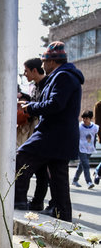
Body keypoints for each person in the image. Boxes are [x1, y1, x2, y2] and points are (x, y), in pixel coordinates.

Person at [15, 41, 85, 222]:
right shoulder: (64, 76)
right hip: (60, 136)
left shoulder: (63, 77)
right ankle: (62, 214)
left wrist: (31, 107)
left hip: (53, 134)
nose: (42, 65)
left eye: (44, 61)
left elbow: (56, 104)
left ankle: (18, 202)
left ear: (52, 62)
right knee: (58, 179)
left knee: (21, 157)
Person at [20, 57, 51, 210]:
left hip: (45, 132)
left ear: (34, 70)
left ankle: (35, 201)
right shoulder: (35, 86)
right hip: (35, 130)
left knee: (40, 169)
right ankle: (37, 202)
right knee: (40, 171)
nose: (24, 74)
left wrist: (30, 106)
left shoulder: (48, 84)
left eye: (26, 71)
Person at [72, 110, 98, 189]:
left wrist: (93, 147)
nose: (84, 120)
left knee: (81, 165)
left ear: (91, 118)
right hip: (81, 148)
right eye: (83, 118)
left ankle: (75, 180)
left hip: (89, 149)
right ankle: (89, 182)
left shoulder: (95, 127)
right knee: (86, 165)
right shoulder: (79, 127)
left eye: (86, 118)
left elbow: (94, 137)